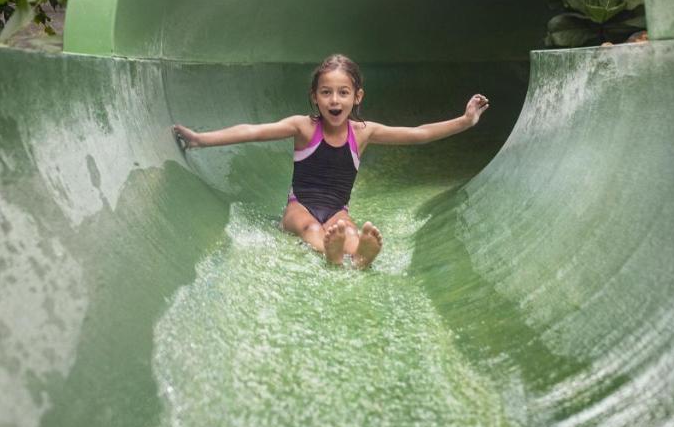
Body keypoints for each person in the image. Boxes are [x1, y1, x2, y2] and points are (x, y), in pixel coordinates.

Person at [171, 54, 490, 269]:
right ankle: (330, 251)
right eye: (326, 92)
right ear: (314, 96)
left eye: (342, 93)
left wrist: (465, 121)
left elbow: (418, 134)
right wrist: (201, 139)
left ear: (357, 97)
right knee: (308, 226)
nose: (334, 100)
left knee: (347, 228)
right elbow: (252, 131)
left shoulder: (363, 133)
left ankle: (357, 253)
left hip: (337, 207)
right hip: (300, 206)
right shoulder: (303, 127)